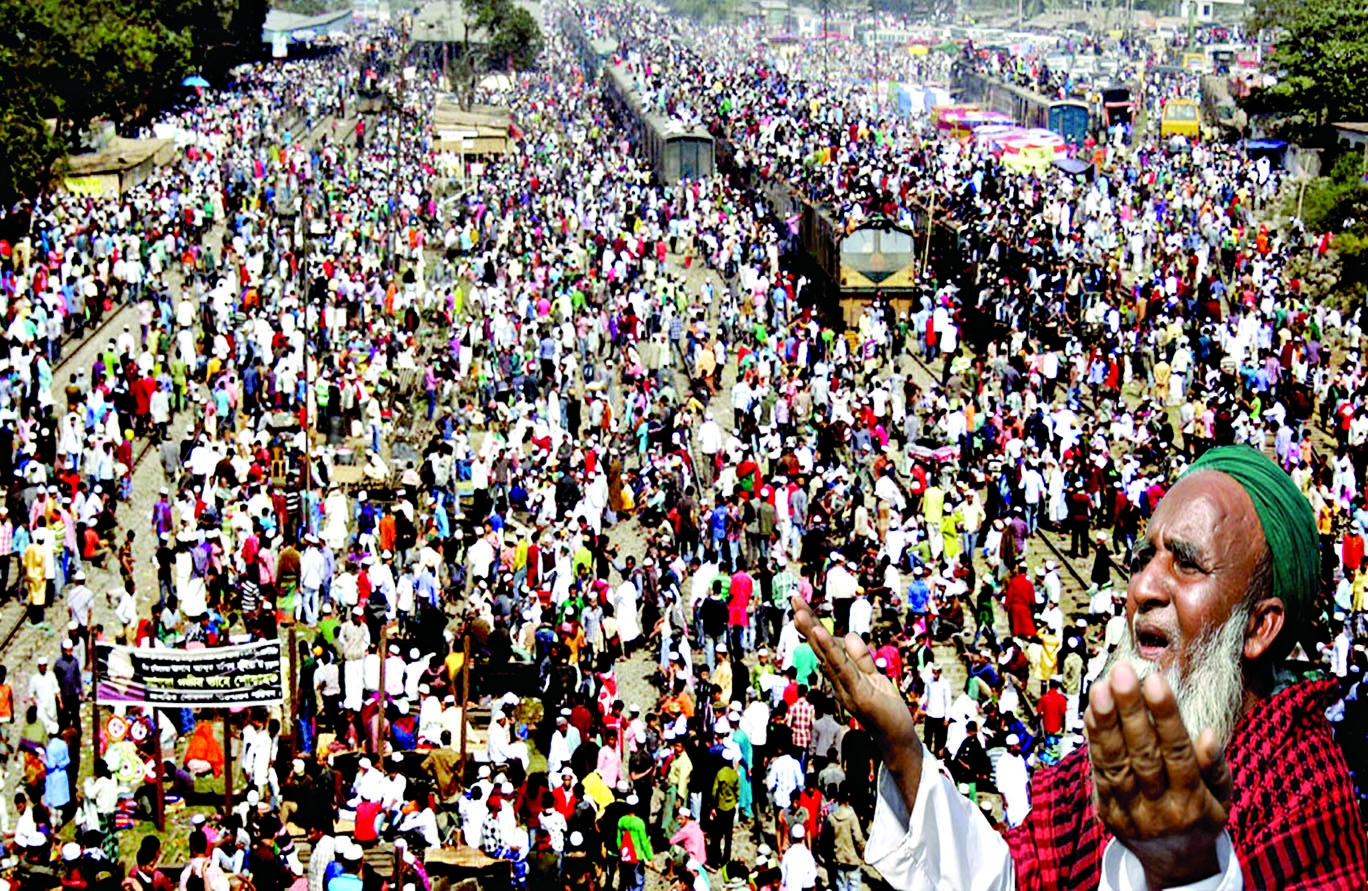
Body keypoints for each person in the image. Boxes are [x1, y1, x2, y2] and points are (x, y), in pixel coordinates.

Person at [793, 445, 1368, 888]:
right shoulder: (1089, 776)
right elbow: (1007, 880)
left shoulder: (1306, 790)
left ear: (1259, 627)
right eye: (1145, 558)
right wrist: (903, 748)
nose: (1144, 585)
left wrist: (1190, 870)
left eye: (1186, 564)